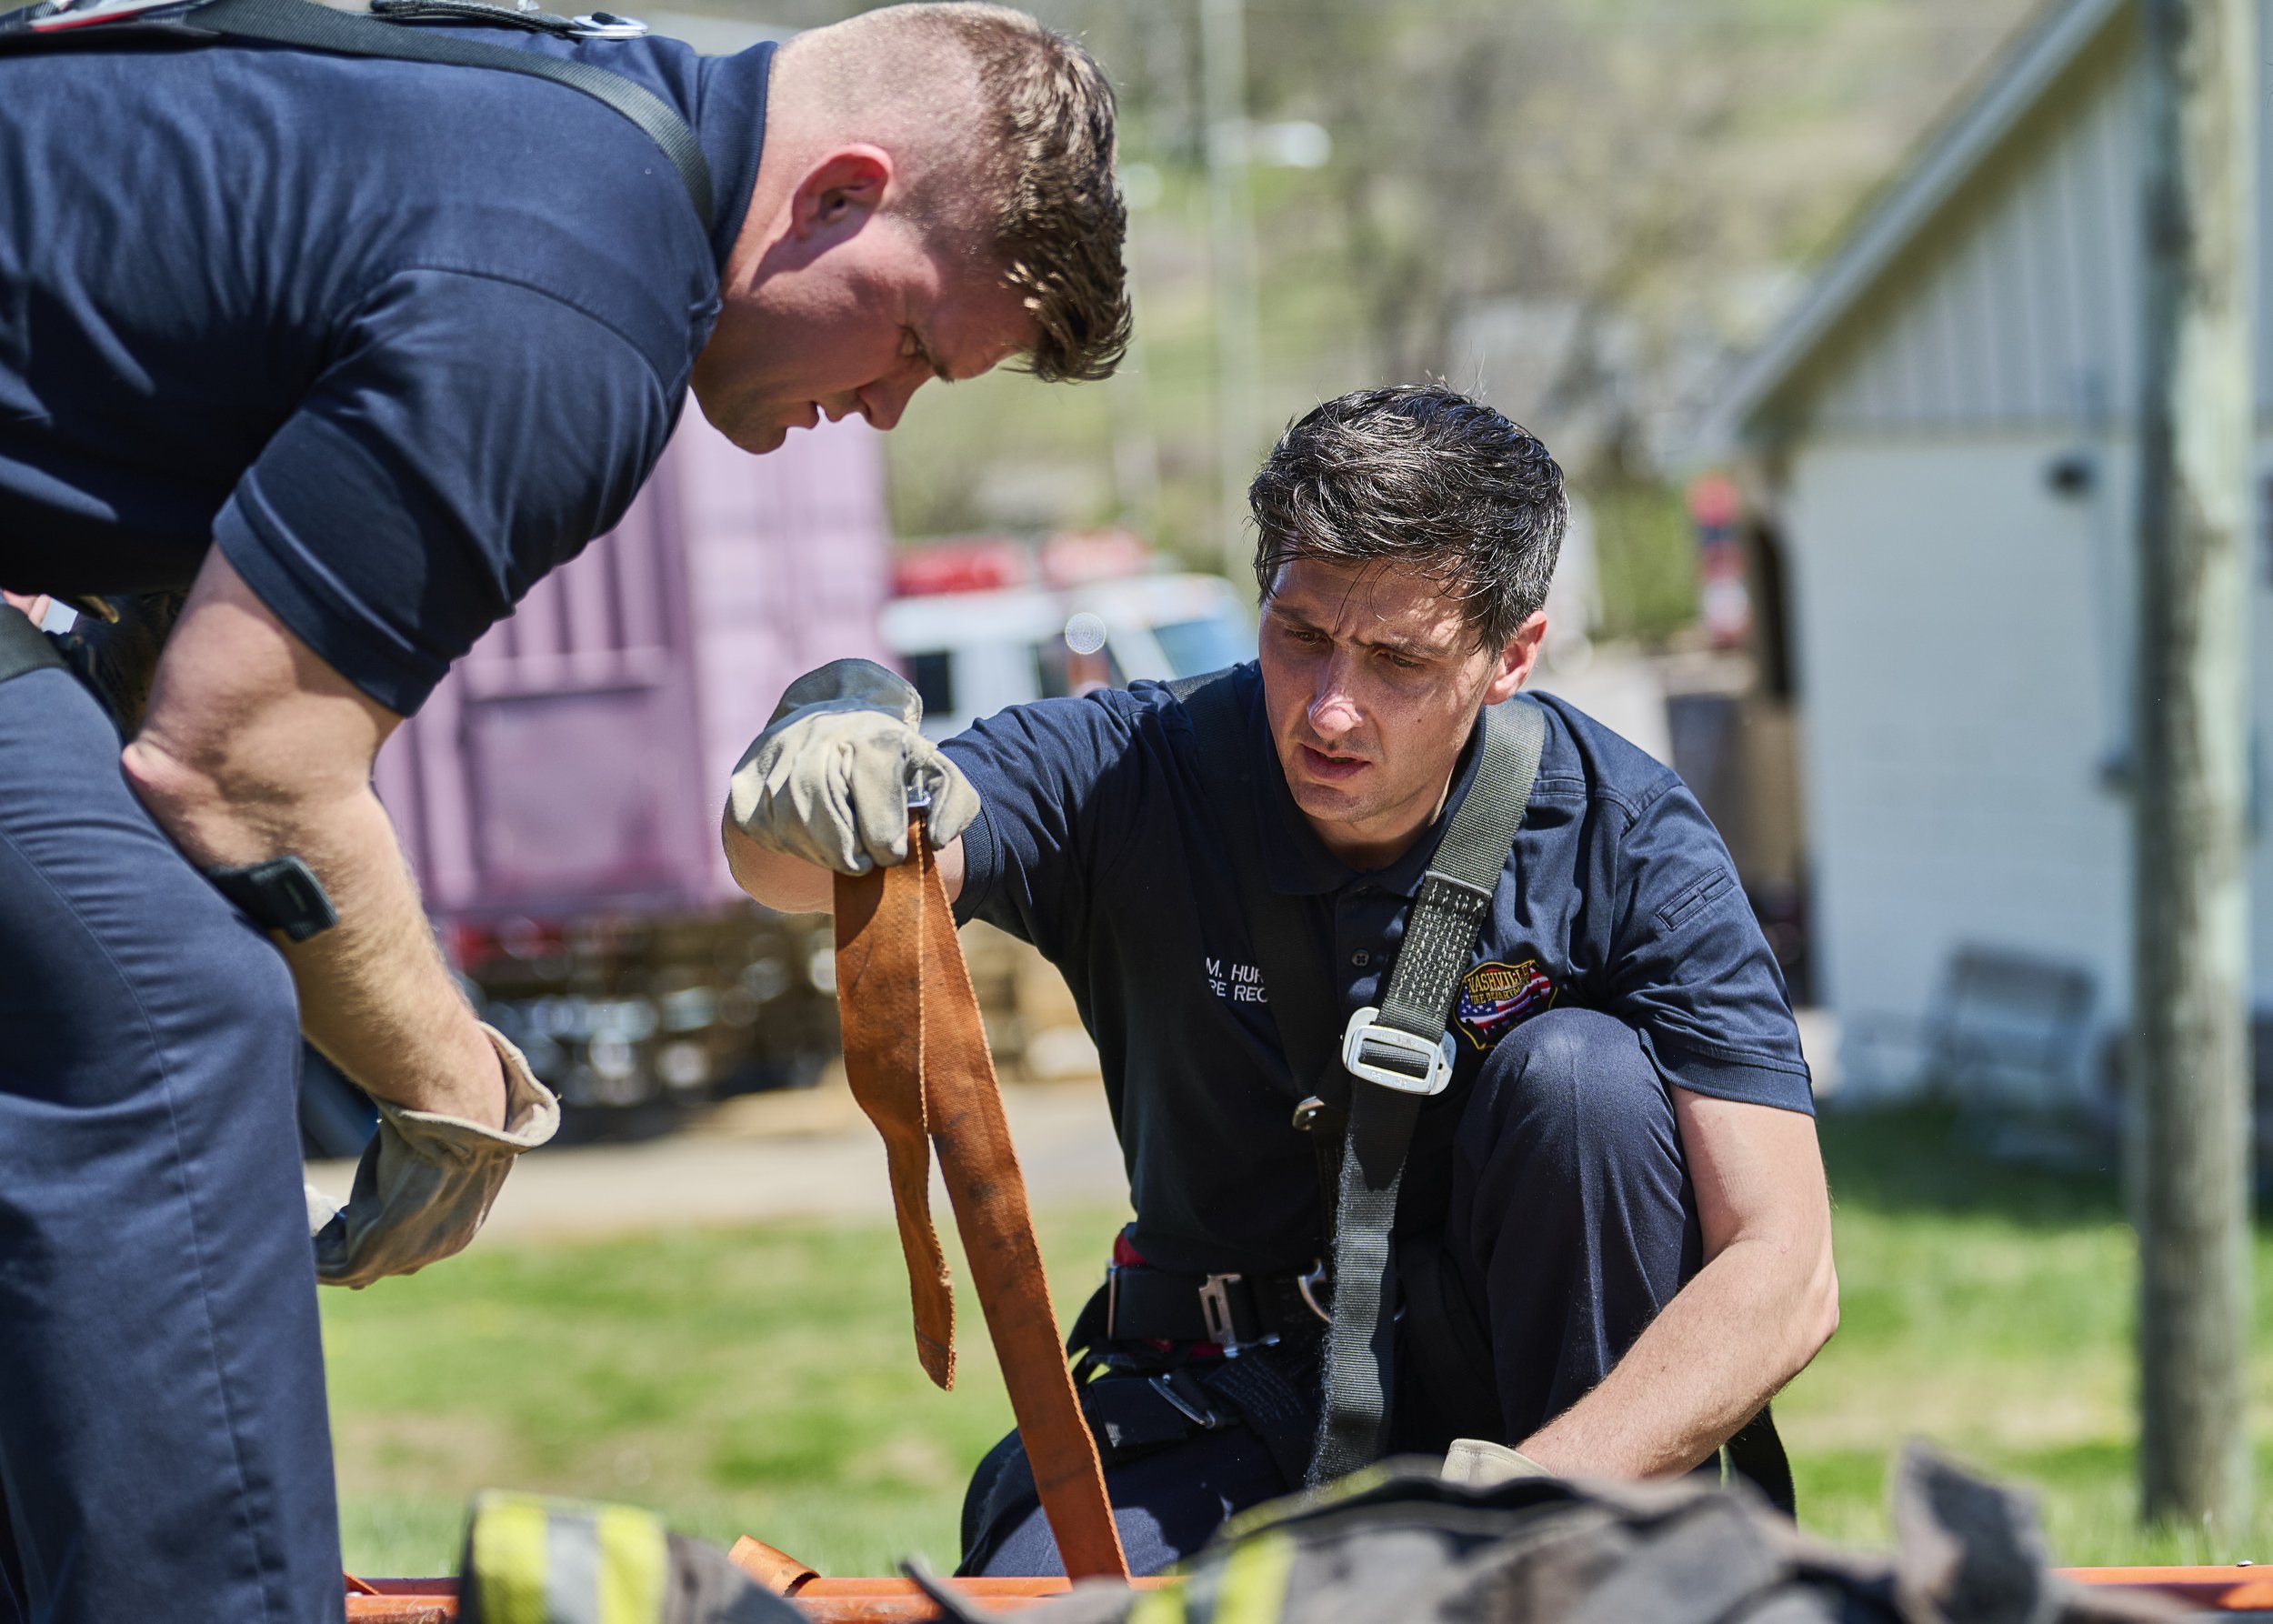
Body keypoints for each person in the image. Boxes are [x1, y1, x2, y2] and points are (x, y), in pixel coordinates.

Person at [0, 4, 1126, 1619]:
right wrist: (460, 1085)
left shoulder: (564, 124)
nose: (886, 410)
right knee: (170, 1018)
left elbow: (166, 664)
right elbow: (236, 769)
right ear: (842, 192)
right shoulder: (574, 301)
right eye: (914, 350)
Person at [724, 385, 1838, 1576]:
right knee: (1035, 1604)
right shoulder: (1133, 774)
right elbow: (811, 864)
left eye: (1399, 660)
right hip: (1218, 1389)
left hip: (1535, 1433)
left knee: (1586, 1081)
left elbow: (1787, 1264)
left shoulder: (1627, 837)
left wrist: (1520, 1505)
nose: (1331, 708)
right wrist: (821, 785)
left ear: (1513, 655)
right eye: (1300, 636)